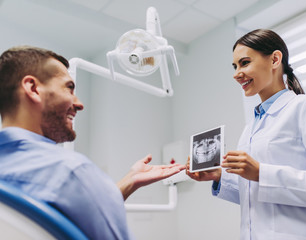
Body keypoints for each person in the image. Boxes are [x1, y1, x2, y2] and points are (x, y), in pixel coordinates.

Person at [186, 29, 306, 240]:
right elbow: (259, 196)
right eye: (235, 66)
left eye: (244, 62)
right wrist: (219, 177)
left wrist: (261, 173)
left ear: (275, 59)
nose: (236, 73)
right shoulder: (251, 127)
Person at [0, 46, 185, 239]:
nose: (79, 103)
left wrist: (129, 181)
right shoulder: (72, 172)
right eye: (69, 88)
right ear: (33, 89)